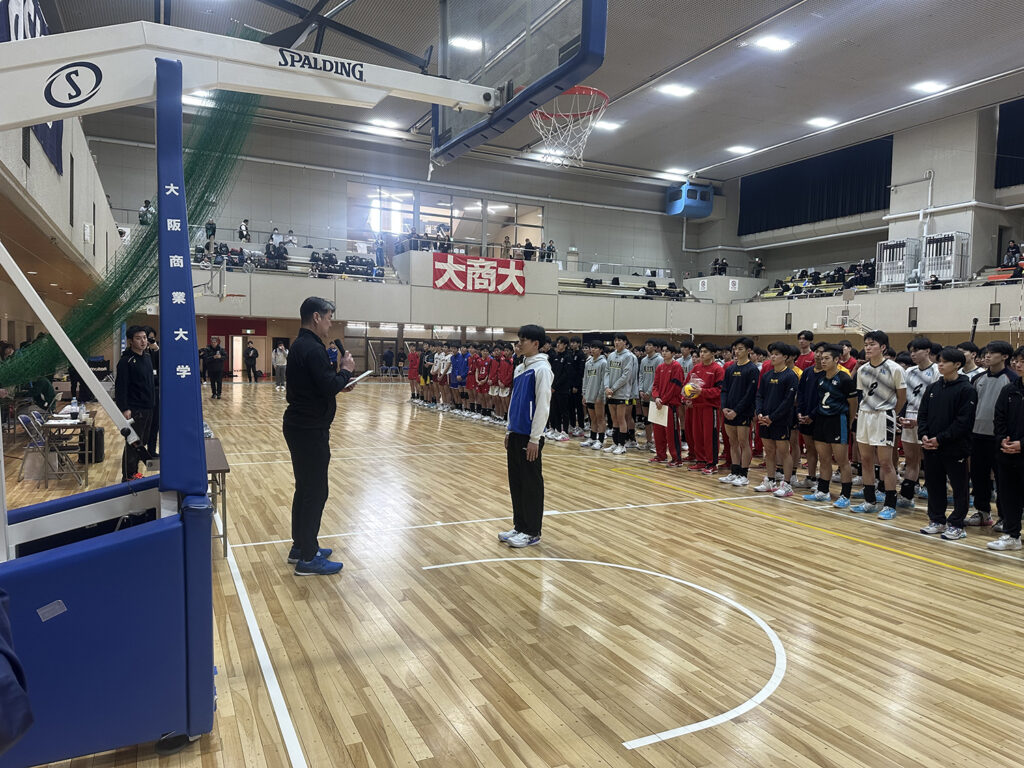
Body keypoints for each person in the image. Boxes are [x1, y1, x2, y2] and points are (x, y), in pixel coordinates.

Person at [283, 297, 356, 575]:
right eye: (328, 318)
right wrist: (345, 371)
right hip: (309, 428)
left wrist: (340, 382)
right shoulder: (312, 348)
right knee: (315, 491)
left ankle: (301, 546)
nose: (330, 323)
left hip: (301, 425)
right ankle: (308, 558)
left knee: (305, 489)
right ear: (316, 317)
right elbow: (326, 386)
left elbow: (321, 384)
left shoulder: (302, 345)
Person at [498, 325, 553, 548]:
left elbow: (543, 406)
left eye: (523, 340)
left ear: (536, 344)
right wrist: (509, 429)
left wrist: (535, 439)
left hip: (530, 437)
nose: (518, 344)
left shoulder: (542, 369)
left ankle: (532, 531)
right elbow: (514, 401)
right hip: (516, 433)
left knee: (531, 483)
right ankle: (519, 525)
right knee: (517, 481)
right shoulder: (521, 367)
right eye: (518, 340)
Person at [916, 347, 978, 540]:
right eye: (939, 361)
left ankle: (957, 524)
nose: (940, 365)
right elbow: (922, 414)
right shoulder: (933, 388)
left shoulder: (967, 389)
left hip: (955, 447)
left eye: (944, 362)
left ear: (957, 364)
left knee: (959, 487)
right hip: (931, 446)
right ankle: (937, 520)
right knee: (934, 484)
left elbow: (963, 422)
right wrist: (924, 435)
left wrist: (940, 439)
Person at [851, 330, 906, 520]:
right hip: (865, 416)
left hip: (884, 416)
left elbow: (902, 398)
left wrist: (891, 413)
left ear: (883, 347)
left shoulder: (894, 368)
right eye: (866, 344)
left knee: (885, 463)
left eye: (872, 344)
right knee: (865, 460)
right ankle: (870, 501)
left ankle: (890, 505)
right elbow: (862, 395)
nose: (868, 348)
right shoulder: (862, 370)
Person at [968, 341, 1018, 528]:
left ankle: (1004, 517)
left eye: (992, 353)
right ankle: (982, 512)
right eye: (986, 353)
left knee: (1002, 479)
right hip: (977, 435)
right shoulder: (977, 379)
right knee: (978, 476)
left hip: (1000, 438)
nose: (987, 356)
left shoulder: (1012, 380)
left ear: (1005, 356)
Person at [803, 344, 858, 507]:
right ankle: (823, 491)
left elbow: (853, 403)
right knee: (824, 458)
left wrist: (849, 420)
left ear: (836, 360)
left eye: (827, 358)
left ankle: (845, 495)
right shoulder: (821, 378)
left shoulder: (844, 379)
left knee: (842, 461)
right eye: (821, 358)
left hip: (838, 420)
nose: (822, 361)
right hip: (821, 420)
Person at [898, 338, 940, 509]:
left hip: (927, 421)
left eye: (916, 351)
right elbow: (904, 397)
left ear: (928, 351)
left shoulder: (936, 371)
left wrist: (921, 421)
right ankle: (907, 496)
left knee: (930, 461)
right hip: (909, 418)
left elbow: (937, 401)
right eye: (911, 351)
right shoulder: (909, 371)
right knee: (911, 460)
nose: (913, 354)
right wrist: (901, 416)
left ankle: (934, 494)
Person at [753, 343, 800, 496]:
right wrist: (760, 413)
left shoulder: (790, 376)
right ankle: (770, 480)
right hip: (764, 419)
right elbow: (759, 395)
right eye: (771, 353)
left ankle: (787, 485)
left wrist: (772, 417)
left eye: (776, 354)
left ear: (785, 357)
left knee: (784, 452)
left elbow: (788, 401)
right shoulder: (767, 375)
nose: (772, 356)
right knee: (769, 451)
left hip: (781, 420)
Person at [991, 354, 1024, 551]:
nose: (1018, 365)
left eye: (1023, 362)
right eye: (1017, 361)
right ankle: (1012, 535)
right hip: (1008, 453)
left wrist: (1022, 444)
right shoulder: (1009, 389)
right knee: (1009, 496)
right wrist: (1002, 438)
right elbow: (999, 417)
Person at [115, 325, 155, 482]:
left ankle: (135, 472)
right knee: (133, 443)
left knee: (142, 442)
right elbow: (121, 387)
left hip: (148, 407)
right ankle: (128, 476)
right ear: (130, 341)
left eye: (144, 338)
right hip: (135, 409)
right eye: (138, 338)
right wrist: (124, 408)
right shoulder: (126, 361)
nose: (143, 341)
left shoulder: (147, 357)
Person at [719, 337, 758, 485]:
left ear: (748, 350)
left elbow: (750, 394)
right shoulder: (730, 369)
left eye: (740, 349)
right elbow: (724, 390)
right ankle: (734, 472)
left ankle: (744, 474)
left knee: (743, 442)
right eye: (735, 349)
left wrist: (736, 410)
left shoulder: (752, 369)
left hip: (743, 412)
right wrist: (724, 407)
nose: (737, 351)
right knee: (732, 442)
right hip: (728, 411)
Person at [686, 342, 725, 474]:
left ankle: (712, 463)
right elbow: (688, 385)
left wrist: (702, 392)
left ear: (713, 353)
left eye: (705, 352)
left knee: (710, 436)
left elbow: (719, 390)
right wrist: (687, 398)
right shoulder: (696, 368)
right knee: (697, 435)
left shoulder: (717, 369)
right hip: (696, 406)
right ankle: (700, 461)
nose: (702, 354)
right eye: (701, 352)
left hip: (710, 407)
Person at [604, 333, 639, 455]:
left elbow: (626, 375)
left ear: (625, 342)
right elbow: (607, 372)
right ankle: (615, 443)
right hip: (610, 392)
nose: (616, 342)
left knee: (621, 418)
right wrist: (607, 387)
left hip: (622, 392)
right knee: (613, 419)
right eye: (615, 340)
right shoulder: (611, 355)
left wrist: (613, 388)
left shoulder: (628, 356)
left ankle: (622, 445)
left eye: (619, 340)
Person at [580, 342, 608, 450]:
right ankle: (592, 438)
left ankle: (600, 440)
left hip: (598, 396)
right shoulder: (588, 363)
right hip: (589, 395)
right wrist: (584, 394)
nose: (593, 349)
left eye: (595, 348)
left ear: (601, 350)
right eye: (592, 347)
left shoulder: (603, 363)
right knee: (592, 419)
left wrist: (600, 395)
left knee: (600, 418)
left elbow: (604, 380)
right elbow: (585, 379)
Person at [638, 339, 664, 452]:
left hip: (654, 394)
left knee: (656, 420)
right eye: (646, 345)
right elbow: (641, 375)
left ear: (655, 347)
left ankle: (658, 444)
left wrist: (649, 392)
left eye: (649, 345)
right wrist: (640, 389)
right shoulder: (644, 360)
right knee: (647, 419)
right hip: (644, 394)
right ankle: (649, 442)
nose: (647, 347)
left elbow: (657, 378)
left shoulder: (659, 360)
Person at [145, 328, 160, 458]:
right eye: (146, 338)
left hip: (155, 392)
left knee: (155, 424)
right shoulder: (136, 354)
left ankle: (151, 450)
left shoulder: (156, 350)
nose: (148, 341)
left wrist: (156, 350)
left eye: (151, 338)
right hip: (142, 396)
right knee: (143, 427)